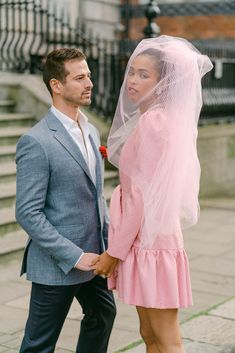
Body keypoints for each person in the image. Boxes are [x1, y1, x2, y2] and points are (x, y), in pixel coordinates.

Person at [93, 35, 213, 353]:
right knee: (148, 333)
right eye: (132, 71)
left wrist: (114, 253)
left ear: (164, 82)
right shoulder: (152, 118)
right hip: (142, 241)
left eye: (144, 74)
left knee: (165, 338)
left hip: (151, 242)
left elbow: (142, 197)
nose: (132, 80)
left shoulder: (156, 123)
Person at [15, 47, 116, 353]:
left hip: (95, 257)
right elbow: (28, 213)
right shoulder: (37, 140)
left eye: (89, 75)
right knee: (39, 343)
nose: (90, 83)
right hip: (57, 263)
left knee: (103, 315)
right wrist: (74, 256)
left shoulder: (90, 129)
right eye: (80, 77)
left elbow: (96, 198)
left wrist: (110, 245)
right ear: (56, 85)